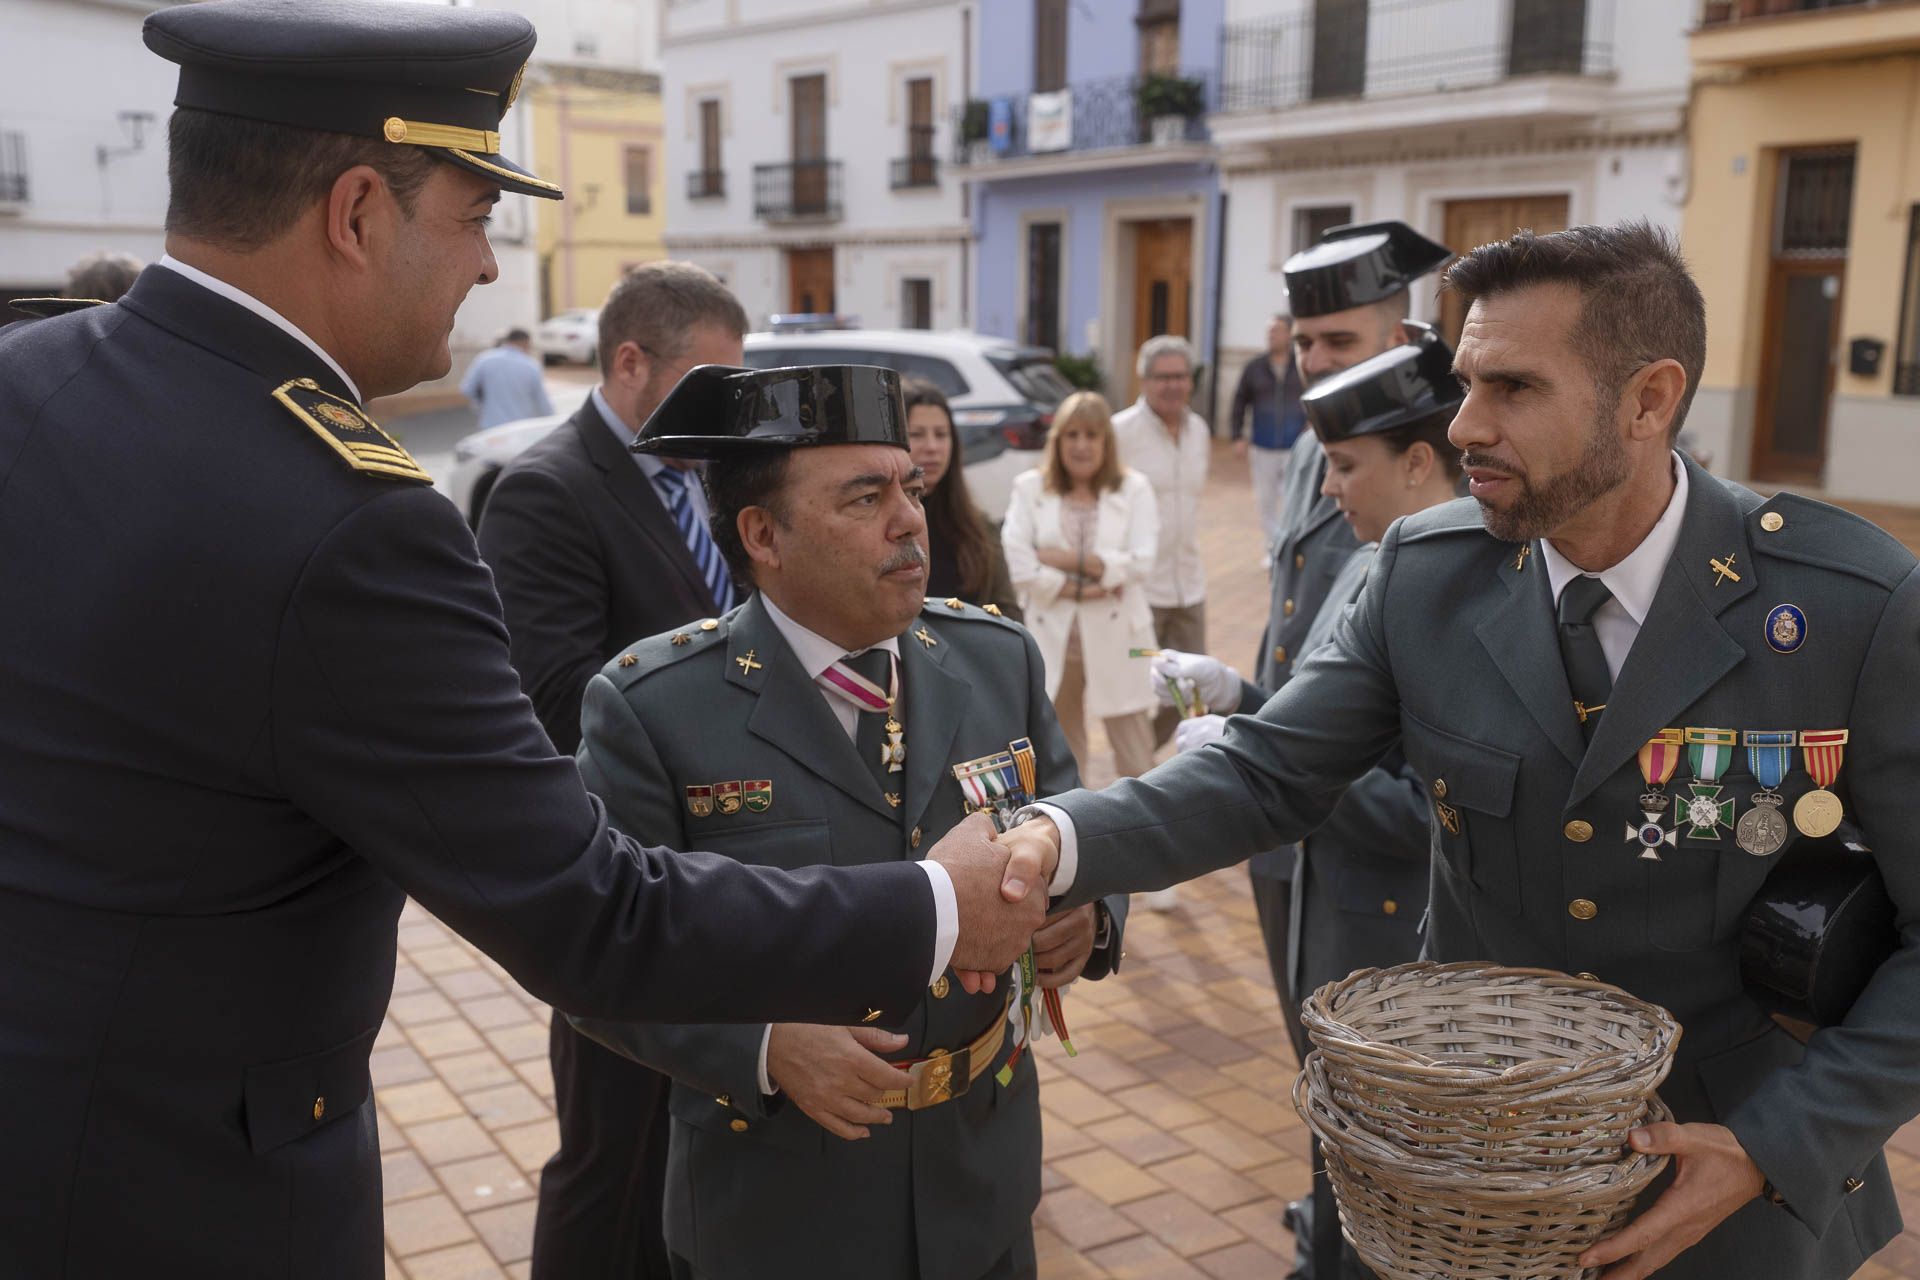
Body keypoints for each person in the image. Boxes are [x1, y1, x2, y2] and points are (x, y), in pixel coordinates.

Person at [0, 4, 1043, 1274]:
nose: (491, 268)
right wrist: (933, 904)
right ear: (356, 214)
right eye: (475, 216)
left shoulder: (33, 376)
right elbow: (586, 909)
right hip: (182, 1193)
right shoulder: (348, 523)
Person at [999, 220, 1920, 1280]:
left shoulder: (1845, 606)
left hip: (1721, 1197)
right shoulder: (1425, 573)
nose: (1466, 422)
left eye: (1514, 388)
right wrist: (1052, 838)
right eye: (1467, 379)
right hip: (1470, 1198)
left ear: (1650, 399)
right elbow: (1267, 769)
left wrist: (1776, 1147)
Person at [566, 363, 1128, 1280]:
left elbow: (1076, 822)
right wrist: (758, 1047)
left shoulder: (995, 661)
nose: (909, 518)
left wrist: (1091, 913)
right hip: (784, 1210)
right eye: (864, 497)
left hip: (980, 1182)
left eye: (908, 485)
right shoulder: (655, 710)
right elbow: (592, 957)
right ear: (763, 534)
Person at [1168, 331, 1466, 1280]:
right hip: (1335, 914)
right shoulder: (1371, 560)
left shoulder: (1457, 590)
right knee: (1334, 1142)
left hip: (1392, 938)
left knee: (1392, 1181)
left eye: (1345, 465)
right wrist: (1246, 705)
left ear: (1418, 463)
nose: (1327, 490)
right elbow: (1333, 730)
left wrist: (1264, 759)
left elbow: (1426, 813)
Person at [476, 262, 748, 1280]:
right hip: (627, 890)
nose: (729, 407)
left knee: (696, 1152)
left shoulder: (712, 471)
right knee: (613, 1163)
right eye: (708, 382)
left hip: (734, 874)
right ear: (631, 362)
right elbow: (558, 706)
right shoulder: (544, 493)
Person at [1002, 391, 1160, 782]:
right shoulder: (1029, 488)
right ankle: (1074, 831)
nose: (1081, 445)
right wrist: (1088, 585)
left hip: (1122, 633)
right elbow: (1019, 562)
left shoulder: (1134, 488)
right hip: (1056, 635)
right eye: (1071, 435)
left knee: (1136, 753)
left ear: (1107, 441)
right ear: (1058, 441)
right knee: (1063, 752)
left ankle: (1147, 832)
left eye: (1092, 435)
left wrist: (1063, 559)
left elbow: (1142, 561)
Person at [903, 376, 1021, 619]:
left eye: (941, 434)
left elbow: (1007, 613)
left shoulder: (977, 527)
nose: (932, 447)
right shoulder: (881, 527)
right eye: (917, 434)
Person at [1228, 313, 1306, 552]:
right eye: (1269, 331)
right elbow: (1239, 401)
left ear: (1289, 334)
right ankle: (1271, 549)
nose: (1271, 335)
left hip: (1295, 444)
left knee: (1291, 497)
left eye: (1276, 330)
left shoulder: (1301, 365)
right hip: (1262, 444)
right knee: (1266, 500)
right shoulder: (1255, 367)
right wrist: (1237, 435)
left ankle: (1287, 545)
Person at [461, 324, 553, 428]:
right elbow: (542, 401)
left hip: (490, 426)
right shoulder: (531, 366)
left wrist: (481, 406)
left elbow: (467, 389)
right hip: (520, 427)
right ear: (526, 343)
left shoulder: (484, 359)